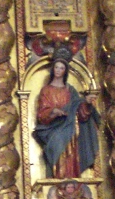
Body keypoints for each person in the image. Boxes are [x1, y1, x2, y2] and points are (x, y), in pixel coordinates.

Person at [33, 48, 101, 179]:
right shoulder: (46, 90)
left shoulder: (70, 90)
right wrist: (53, 111)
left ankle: (71, 178)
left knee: (70, 153)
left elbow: (81, 112)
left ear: (65, 71)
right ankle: (58, 178)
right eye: (56, 67)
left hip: (69, 128)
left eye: (61, 68)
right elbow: (42, 114)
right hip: (53, 128)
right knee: (57, 145)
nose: (58, 70)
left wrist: (85, 103)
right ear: (53, 69)